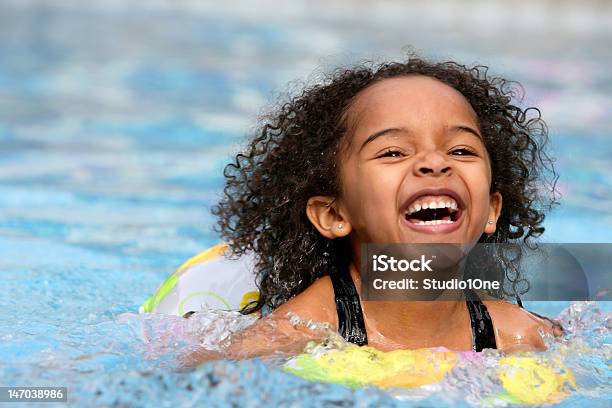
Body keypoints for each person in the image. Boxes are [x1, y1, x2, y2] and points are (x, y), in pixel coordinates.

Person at [186, 55, 563, 365]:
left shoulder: (519, 333)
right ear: (334, 215)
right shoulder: (302, 331)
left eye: (461, 151)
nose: (434, 162)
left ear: (490, 212)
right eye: (393, 152)